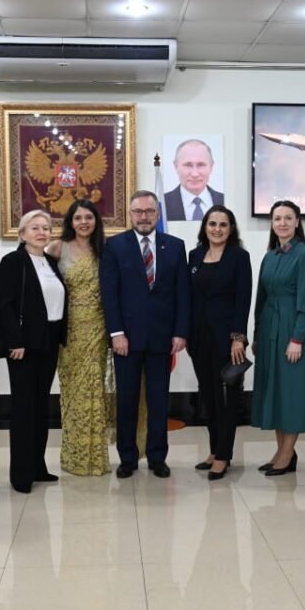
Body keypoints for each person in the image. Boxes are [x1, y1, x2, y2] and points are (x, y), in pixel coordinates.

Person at [100, 190, 190, 479]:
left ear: (158, 214)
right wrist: (116, 333)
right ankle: (127, 458)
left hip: (163, 338)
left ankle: (157, 457)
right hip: (126, 339)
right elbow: (109, 294)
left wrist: (180, 332)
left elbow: (182, 294)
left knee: (158, 401)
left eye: (149, 211)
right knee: (127, 400)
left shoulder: (175, 246)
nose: (144, 216)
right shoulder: (115, 246)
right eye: (138, 211)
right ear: (130, 214)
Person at [0, 210, 67, 493]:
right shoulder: (13, 262)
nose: (41, 232)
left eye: (46, 228)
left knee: (40, 405)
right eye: (35, 227)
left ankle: (38, 466)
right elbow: (4, 304)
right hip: (23, 345)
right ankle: (21, 474)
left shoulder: (50, 262)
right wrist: (14, 341)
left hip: (49, 341)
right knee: (24, 407)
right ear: (22, 233)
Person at [252, 200, 305, 476]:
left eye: (287, 218)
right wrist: (256, 335)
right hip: (269, 329)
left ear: (297, 222)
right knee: (275, 392)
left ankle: (287, 453)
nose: (282, 223)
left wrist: (297, 339)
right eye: (277, 218)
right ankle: (282, 452)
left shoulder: (304, 255)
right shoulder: (270, 256)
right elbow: (260, 299)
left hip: (292, 330)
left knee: (291, 393)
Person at [46, 199, 113, 477]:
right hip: (68, 331)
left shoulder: (105, 250)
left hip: (98, 329)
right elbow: (42, 284)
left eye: (89, 217)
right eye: (78, 218)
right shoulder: (57, 248)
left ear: (96, 221)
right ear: (70, 222)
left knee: (95, 390)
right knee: (73, 393)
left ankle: (95, 457)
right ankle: (74, 455)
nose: (83, 222)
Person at [188, 205, 252, 481]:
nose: (217, 229)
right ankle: (215, 450)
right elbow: (190, 297)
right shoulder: (195, 255)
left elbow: (243, 298)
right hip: (198, 338)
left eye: (223, 225)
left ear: (231, 229)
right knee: (208, 396)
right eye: (212, 224)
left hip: (227, 339)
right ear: (205, 227)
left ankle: (224, 455)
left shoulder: (239, 257)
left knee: (226, 398)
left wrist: (239, 338)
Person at [163, 139, 224, 221]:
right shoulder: (162, 204)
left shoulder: (225, 201)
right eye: (188, 165)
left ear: (211, 166)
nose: (195, 174)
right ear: (176, 166)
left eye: (201, 165)